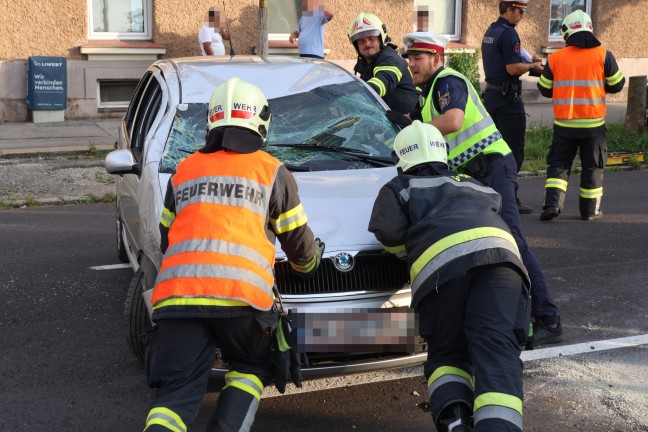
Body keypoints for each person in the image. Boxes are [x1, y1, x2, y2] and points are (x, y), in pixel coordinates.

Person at [142, 77, 325, 432]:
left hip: (178, 298)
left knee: (173, 398)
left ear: (211, 121)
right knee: (249, 369)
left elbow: (168, 238)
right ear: (260, 121)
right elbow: (299, 244)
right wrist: (309, 265)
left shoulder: (183, 171)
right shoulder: (272, 171)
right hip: (244, 301)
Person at [393, 32, 562, 345]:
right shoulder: (428, 95)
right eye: (409, 58)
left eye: (418, 58)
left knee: (511, 241)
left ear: (436, 59)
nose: (411, 64)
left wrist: (412, 130)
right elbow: (412, 124)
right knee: (482, 245)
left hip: (493, 167)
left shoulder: (448, 80)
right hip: (473, 176)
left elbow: (454, 121)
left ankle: (548, 317)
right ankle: (502, 315)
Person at [369, 121, 530, 432]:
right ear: (443, 153)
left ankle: (456, 423)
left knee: (447, 355)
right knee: (496, 351)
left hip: (443, 274)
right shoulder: (473, 182)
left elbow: (388, 232)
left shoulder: (400, 187)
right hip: (502, 265)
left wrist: (412, 248)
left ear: (400, 159)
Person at [537, 10, 625, 221]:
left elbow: (544, 89)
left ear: (567, 32)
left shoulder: (556, 57)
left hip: (564, 125)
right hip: (594, 126)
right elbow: (617, 84)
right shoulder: (603, 55)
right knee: (592, 167)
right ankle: (589, 211)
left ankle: (552, 206)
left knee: (559, 165)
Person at [481, 0, 544, 214]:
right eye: (520, 11)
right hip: (508, 101)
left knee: (493, 150)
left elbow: (517, 56)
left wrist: (530, 59)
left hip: (492, 97)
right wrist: (533, 67)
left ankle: (491, 195)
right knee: (513, 151)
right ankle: (510, 200)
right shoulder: (509, 33)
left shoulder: (492, 30)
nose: (523, 15)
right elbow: (513, 67)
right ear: (509, 10)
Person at [348, 12, 419, 114]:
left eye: (371, 38)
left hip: (407, 123)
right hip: (390, 122)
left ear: (381, 38)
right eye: (361, 41)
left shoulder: (390, 59)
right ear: (356, 45)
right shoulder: (368, 63)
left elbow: (382, 82)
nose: (367, 44)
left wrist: (354, 97)